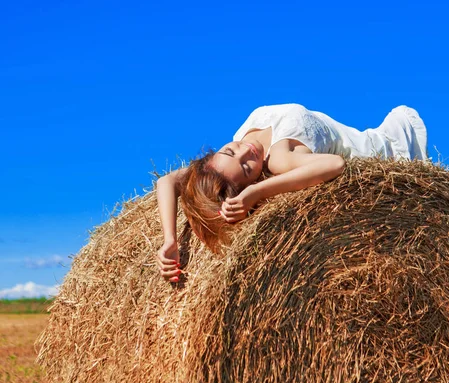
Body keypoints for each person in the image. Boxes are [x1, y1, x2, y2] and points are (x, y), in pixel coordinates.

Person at [155, 103, 428, 282]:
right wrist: (257, 193)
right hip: (381, 152)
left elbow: (167, 182)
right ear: (251, 182)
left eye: (230, 150)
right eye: (248, 169)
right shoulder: (277, 159)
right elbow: (335, 164)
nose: (245, 151)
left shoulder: (234, 149)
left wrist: (170, 240)